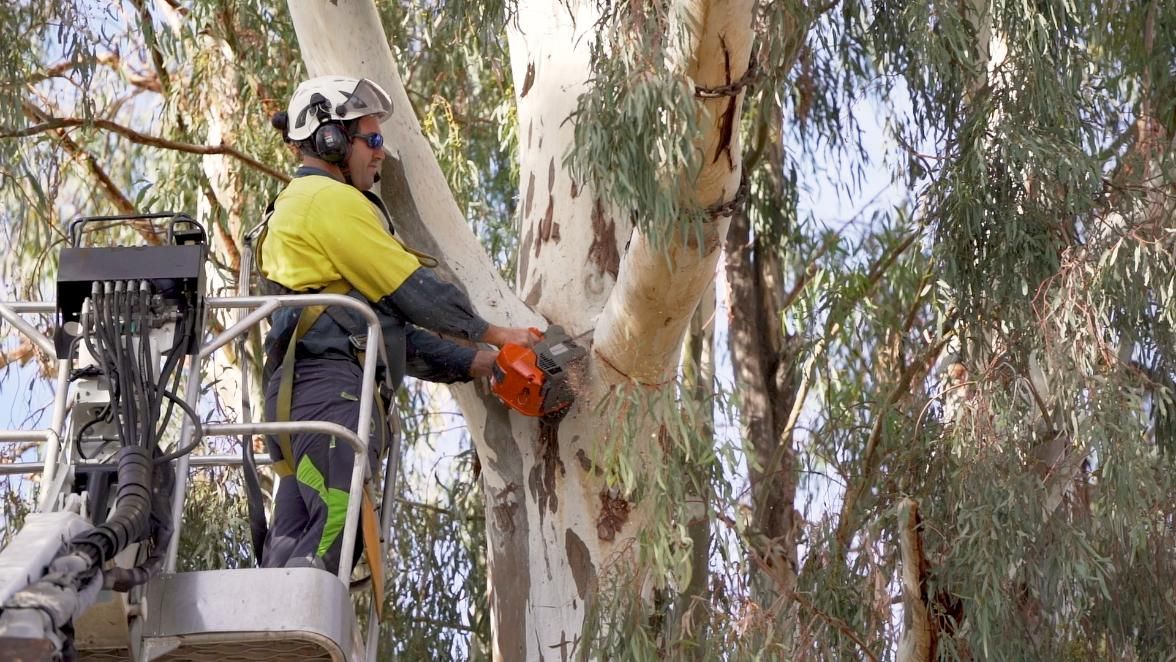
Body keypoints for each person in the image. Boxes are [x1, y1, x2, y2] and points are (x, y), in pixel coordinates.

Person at [257, 75, 534, 573]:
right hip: (328, 388)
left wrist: (479, 362)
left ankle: (269, 628)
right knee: (336, 531)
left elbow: (389, 333)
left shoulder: (305, 208)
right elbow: (410, 290)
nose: (381, 153)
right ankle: (288, 639)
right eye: (373, 139)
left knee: (294, 537)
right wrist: (492, 331)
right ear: (330, 138)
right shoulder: (327, 200)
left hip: (305, 390)